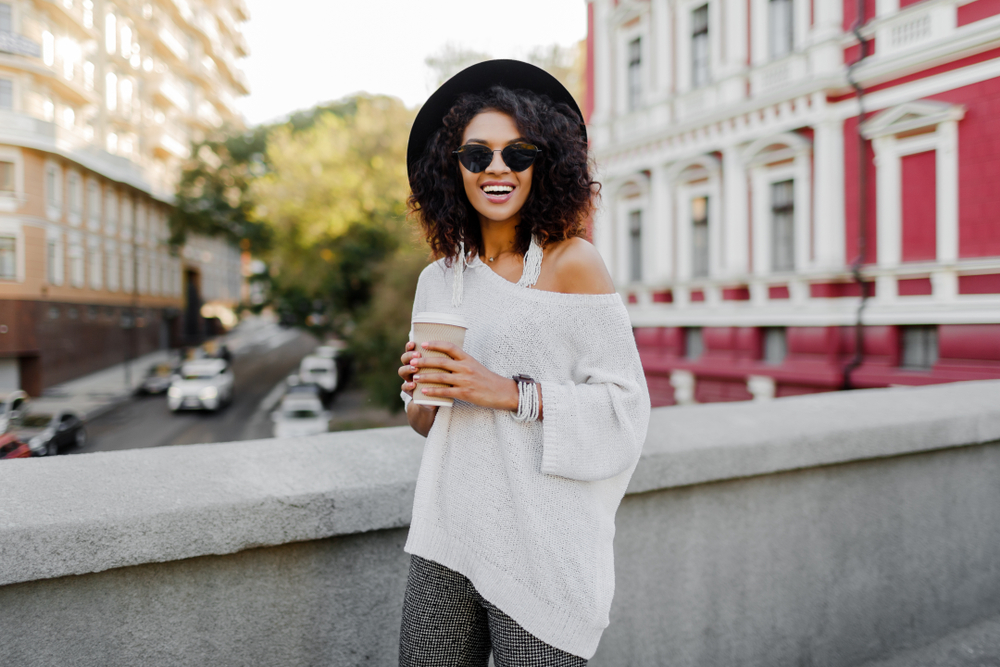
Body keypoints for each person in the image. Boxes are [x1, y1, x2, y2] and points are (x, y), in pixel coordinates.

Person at [397, 60, 650, 666]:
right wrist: (420, 391)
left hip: (546, 546)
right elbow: (424, 423)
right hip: (448, 536)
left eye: (519, 153)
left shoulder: (574, 263)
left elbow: (627, 410)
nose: (498, 170)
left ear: (546, 164)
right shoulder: (438, 282)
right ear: (452, 168)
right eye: (477, 155)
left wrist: (510, 392)